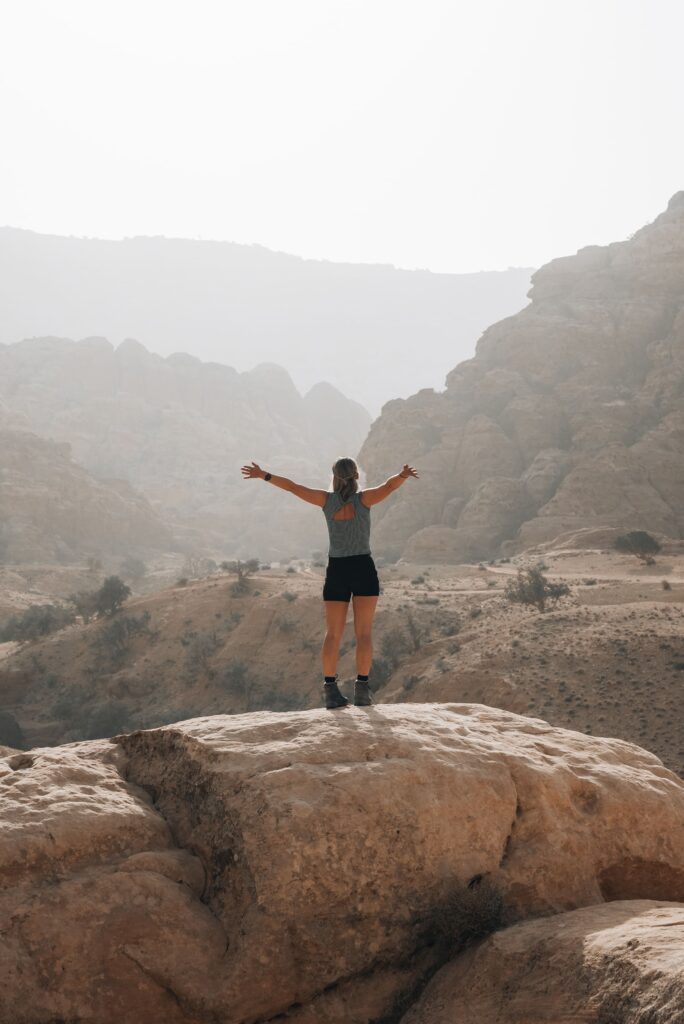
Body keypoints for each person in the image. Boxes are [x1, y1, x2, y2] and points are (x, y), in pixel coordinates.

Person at [240, 456, 419, 709]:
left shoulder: (325, 501)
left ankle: (331, 691)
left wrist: (264, 475)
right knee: (364, 632)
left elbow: (293, 487)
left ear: (334, 476)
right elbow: (388, 487)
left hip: (337, 570)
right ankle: (362, 690)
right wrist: (401, 476)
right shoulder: (364, 500)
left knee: (333, 634)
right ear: (356, 476)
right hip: (363, 568)